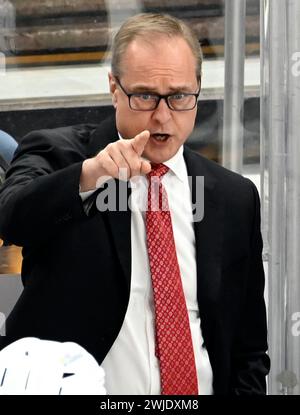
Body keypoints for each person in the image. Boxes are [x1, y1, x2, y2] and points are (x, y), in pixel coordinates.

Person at [0, 13, 270, 395]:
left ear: (197, 89)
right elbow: (12, 219)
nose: (162, 116)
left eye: (178, 96)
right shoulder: (60, 155)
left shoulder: (233, 196)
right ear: (113, 87)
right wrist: (89, 177)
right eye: (144, 95)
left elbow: (247, 349)